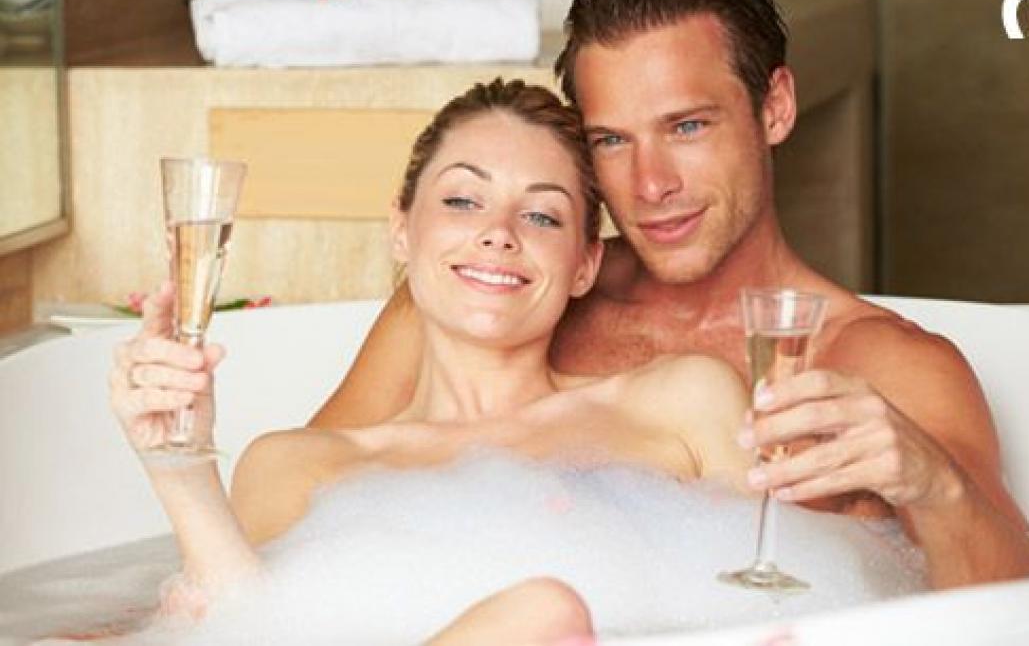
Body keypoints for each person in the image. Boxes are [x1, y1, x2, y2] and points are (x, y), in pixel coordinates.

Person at [306, 0, 1029, 588]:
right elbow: (300, 529)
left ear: (774, 107)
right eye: (611, 141)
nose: (650, 184)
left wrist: (933, 484)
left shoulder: (880, 365)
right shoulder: (494, 297)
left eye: (687, 126)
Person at [110, 79, 754, 644]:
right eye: (462, 201)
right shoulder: (295, 465)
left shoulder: (682, 404)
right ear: (401, 228)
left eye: (541, 215)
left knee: (542, 613)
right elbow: (245, 630)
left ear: (585, 264)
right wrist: (178, 468)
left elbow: (785, 603)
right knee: (541, 614)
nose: (499, 232)